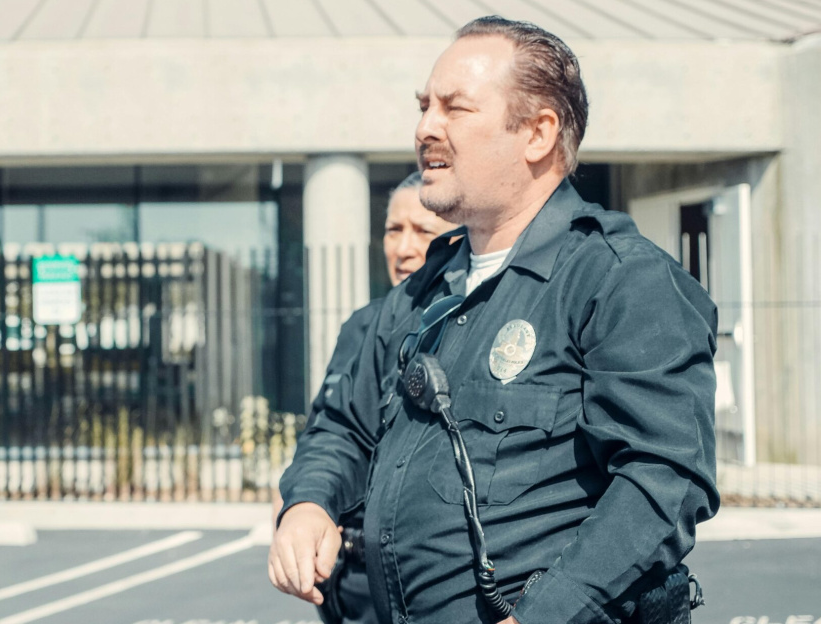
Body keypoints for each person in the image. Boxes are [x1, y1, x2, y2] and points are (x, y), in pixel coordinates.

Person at [271, 15, 718, 624]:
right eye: (424, 106)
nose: (425, 128)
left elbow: (663, 482)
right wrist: (309, 503)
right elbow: (345, 427)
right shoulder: (419, 294)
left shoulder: (619, 281)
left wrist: (544, 615)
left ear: (537, 133)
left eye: (455, 108)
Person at [272, 173, 456, 624]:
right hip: (347, 580)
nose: (404, 247)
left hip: (419, 578)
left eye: (423, 231)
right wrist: (304, 500)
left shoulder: (462, 321)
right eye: (394, 230)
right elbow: (334, 430)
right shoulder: (364, 325)